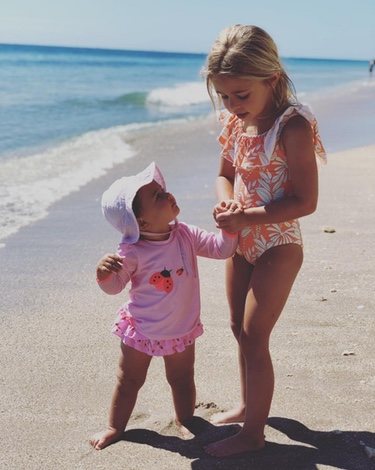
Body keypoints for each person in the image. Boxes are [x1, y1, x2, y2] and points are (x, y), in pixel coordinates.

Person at [202, 25, 326, 457]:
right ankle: (248, 406)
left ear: (271, 79)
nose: (233, 105)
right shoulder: (235, 124)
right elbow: (224, 175)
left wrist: (246, 216)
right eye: (226, 97)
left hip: (278, 243)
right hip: (241, 239)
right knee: (238, 328)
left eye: (241, 95)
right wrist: (225, 207)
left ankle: (254, 435)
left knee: (255, 335)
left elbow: (305, 201)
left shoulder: (292, 126)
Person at [89, 162, 238, 450]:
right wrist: (103, 274)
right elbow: (114, 287)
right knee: (129, 379)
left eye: (163, 190)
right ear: (140, 223)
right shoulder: (132, 251)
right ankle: (114, 426)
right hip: (142, 329)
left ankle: (186, 420)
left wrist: (228, 229)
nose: (167, 195)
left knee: (182, 378)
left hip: (181, 328)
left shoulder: (186, 234)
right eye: (157, 196)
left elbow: (221, 249)